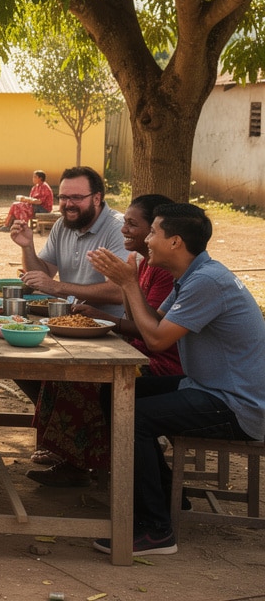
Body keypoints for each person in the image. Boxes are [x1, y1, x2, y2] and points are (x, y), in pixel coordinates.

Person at [87, 203, 265, 556]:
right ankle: (167, 496)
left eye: (153, 232)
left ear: (176, 242)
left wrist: (127, 282)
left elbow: (154, 341)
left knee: (132, 417)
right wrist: (129, 285)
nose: (146, 240)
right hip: (205, 387)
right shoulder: (195, 275)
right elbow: (151, 322)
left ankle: (156, 529)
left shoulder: (207, 281)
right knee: (117, 395)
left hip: (237, 404)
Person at [28, 194, 178, 488]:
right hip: (134, 348)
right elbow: (136, 316)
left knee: (83, 379)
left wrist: (107, 314)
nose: (124, 229)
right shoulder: (142, 264)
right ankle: (71, 455)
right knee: (59, 370)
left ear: (153, 232)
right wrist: (104, 309)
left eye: (133, 225)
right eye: (125, 223)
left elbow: (154, 333)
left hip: (159, 362)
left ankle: (87, 462)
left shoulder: (164, 271)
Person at [9, 165, 127, 319]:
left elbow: (118, 292)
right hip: (69, 320)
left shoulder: (119, 229)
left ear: (96, 198)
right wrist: (27, 247)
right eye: (63, 197)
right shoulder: (62, 225)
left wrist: (58, 287)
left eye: (77, 197)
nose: (68, 204)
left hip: (110, 330)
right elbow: (43, 276)